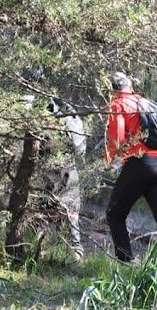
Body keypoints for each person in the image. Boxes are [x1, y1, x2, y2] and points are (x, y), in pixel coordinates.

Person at [105, 72, 157, 262]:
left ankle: (126, 263)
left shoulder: (117, 104)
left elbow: (117, 139)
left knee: (114, 214)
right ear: (130, 87)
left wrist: (111, 158)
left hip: (139, 163)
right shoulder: (146, 103)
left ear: (112, 90)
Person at [45, 97, 86, 260]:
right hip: (70, 165)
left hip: (55, 166)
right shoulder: (72, 116)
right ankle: (74, 251)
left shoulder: (54, 113)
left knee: (49, 205)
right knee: (70, 208)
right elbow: (80, 150)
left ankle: (53, 247)